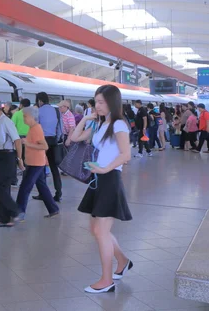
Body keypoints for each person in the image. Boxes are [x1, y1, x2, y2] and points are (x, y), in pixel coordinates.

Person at [71, 85, 133, 294]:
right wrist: (84, 119)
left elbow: (126, 155)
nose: (96, 105)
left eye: (101, 102)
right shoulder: (100, 124)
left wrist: (105, 168)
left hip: (109, 179)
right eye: (95, 101)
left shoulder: (118, 125)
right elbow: (74, 138)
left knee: (101, 231)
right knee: (96, 230)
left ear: (112, 103)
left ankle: (107, 280)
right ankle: (122, 261)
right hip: (98, 179)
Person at [16, 105, 59, 221]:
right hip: (35, 162)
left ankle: (19, 212)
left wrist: (27, 143)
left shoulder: (36, 129)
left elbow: (44, 146)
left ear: (31, 117)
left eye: (25, 116)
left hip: (36, 163)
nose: (24, 119)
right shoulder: (33, 128)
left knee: (25, 187)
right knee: (42, 186)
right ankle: (53, 208)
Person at [0, 97, 23, 227]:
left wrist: (20, 159)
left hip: (8, 157)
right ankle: (3, 218)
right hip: (2, 156)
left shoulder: (6, 121)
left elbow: (17, 140)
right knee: (4, 187)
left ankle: (16, 210)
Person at [33, 92, 63, 202]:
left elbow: (36, 128)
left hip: (42, 142)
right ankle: (58, 193)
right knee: (54, 169)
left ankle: (43, 193)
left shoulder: (38, 112)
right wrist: (57, 138)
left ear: (40, 101)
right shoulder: (56, 110)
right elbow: (60, 127)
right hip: (53, 141)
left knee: (41, 168)